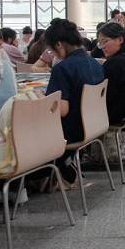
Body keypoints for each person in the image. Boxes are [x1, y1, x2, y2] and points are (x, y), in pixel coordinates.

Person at [43, 18, 105, 188]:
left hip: (71, 131)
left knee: (25, 130)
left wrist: (42, 98)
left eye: (52, 50)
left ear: (59, 44)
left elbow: (62, 110)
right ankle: (63, 167)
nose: (53, 54)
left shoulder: (62, 68)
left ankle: (42, 177)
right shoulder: (95, 63)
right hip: (94, 125)